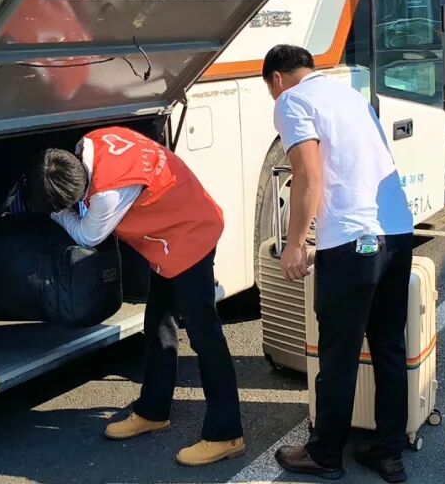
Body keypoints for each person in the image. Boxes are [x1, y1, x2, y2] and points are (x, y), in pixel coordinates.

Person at [24, 126, 245, 466]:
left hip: (191, 235)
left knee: (205, 336)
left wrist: (57, 213)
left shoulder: (107, 195)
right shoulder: (94, 142)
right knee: (157, 324)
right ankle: (154, 411)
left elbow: (87, 235)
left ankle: (226, 433)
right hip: (168, 236)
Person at [263, 45, 415, 483]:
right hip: (397, 232)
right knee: (388, 347)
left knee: (339, 352)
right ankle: (389, 453)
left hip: (352, 241)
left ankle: (325, 454)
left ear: (276, 79)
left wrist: (295, 245)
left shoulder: (291, 100)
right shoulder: (349, 95)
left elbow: (308, 175)